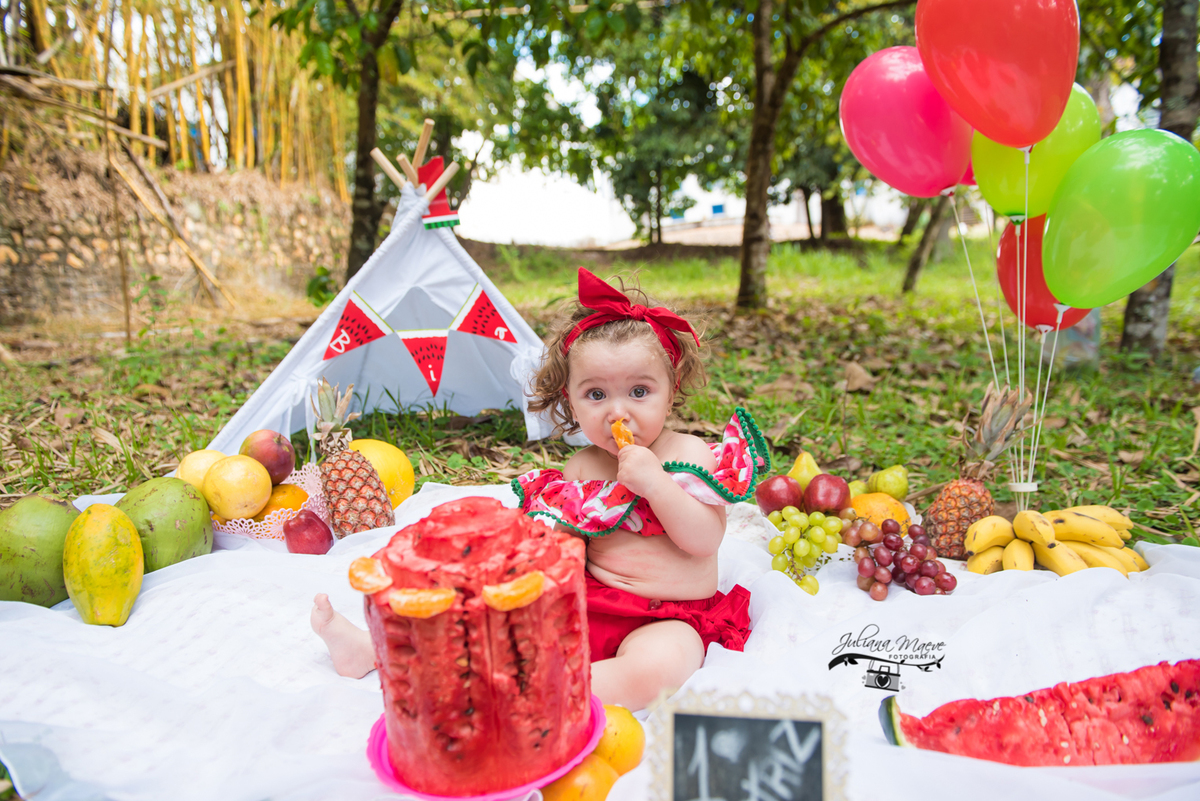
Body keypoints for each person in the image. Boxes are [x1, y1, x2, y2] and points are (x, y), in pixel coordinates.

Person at [312, 268, 755, 710]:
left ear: (671, 390)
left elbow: (704, 540)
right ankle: (380, 650)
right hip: (588, 599)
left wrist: (657, 483)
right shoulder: (582, 468)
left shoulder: (689, 455)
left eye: (639, 391)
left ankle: (539, 694)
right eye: (595, 395)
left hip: (671, 617)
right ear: (569, 399)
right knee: (494, 619)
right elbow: (563, 540)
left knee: (657, 671)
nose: (617, 411)